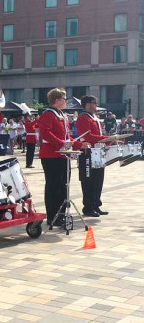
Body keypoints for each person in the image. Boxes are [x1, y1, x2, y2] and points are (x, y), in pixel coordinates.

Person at [38, 88, 88, 226]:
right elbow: (45, 133)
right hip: (51, 154)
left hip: (62, 155)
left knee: (63, 186)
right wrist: (61, 143)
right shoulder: (48, 114)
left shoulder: (62, 115)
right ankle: (52, 216)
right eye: (64, 99)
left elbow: (67, 137)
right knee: (53, 186)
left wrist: (79, 144)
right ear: (57, 100)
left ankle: (60, 214)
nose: (66, 102)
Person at [76, 96, 110, 217]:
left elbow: (98, 136)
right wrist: (108, 139)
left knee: (98, 180)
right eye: (93, 103)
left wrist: (109, 140)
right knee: (88, 180)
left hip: (98, 151)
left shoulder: (94, 118)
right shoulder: (83, 118)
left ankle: (96, 204)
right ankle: (88, 206)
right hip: (88, 153)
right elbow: (88, 137)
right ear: (87, 105)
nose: (95, 106)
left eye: (95, 103)